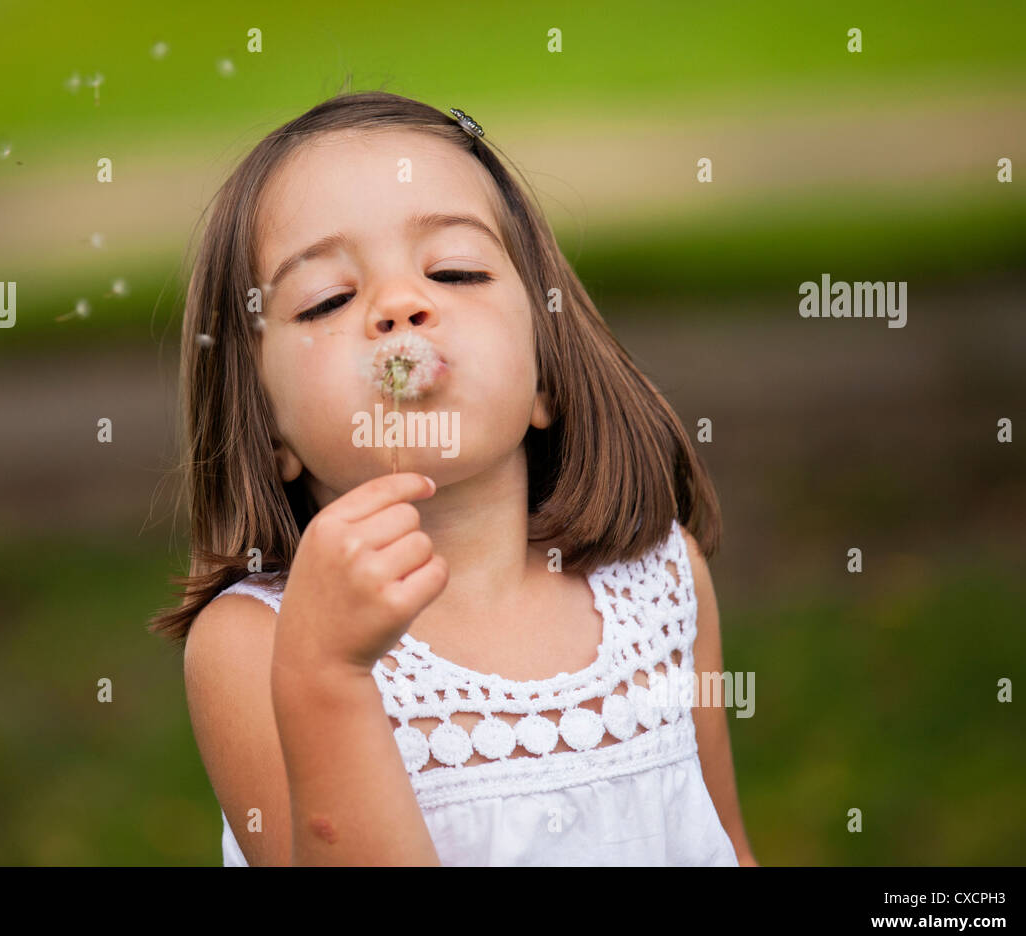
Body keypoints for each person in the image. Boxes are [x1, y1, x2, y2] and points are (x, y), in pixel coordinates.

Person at [149, 91, 758, 867]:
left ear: (546, 371)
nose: (401, 305)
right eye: (330, 299)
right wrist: (327, 675)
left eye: (457, 271)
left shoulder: (663, 581)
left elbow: (725, 844)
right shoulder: (256, 647)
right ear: (265, 426)